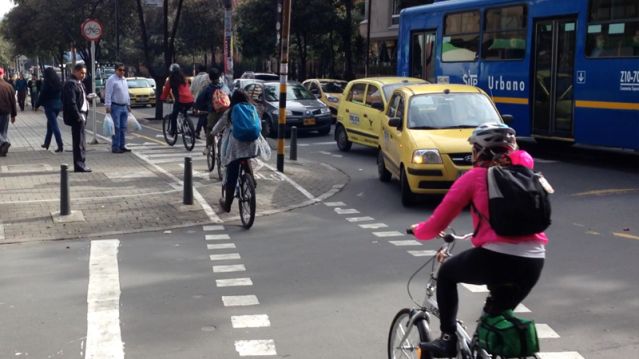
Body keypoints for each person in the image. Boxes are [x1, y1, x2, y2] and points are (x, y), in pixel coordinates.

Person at [410, 123, 547, 357]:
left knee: (447, 274)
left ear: (482, 152)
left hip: (496, 258)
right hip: (534, 261)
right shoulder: (529, 174)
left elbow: (437, 223)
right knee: (495, 319)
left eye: (474, 149)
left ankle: (447, 340)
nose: (472, 154)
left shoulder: (474, 178)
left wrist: (418, 230)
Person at [212, 89, 261, 212]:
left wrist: (212, 133)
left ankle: (227, 205)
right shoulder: (252, 108)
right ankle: (251, 181)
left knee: (232, 175)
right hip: (252, 144)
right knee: (246, 158)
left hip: (236, 147)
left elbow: (219, 126)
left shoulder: (231, 111)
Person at [62, 64, 93, 173]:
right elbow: (71, 102)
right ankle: (79, 165)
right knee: (79, 142)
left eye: (84, 73)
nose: (83, 75)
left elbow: (80, 98)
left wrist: (88, 98)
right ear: (75, 71)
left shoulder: (79, 83)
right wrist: (78, 116)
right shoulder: (71, 84)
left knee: (81, 141)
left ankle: (81, 163)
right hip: (78, 116)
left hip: (82, 114)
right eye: (81, 73)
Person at [195, 66, 227, 150]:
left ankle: (208, 146)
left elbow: (199, 100)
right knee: (225, 129)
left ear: (210, 78)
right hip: (225, 112)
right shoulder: (224, 87)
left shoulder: (208, 88)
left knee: (210, 128)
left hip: (213, 112)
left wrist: (198, 108)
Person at [160, 63, 194, 135]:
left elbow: (166, 91)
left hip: (180, 100)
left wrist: (162, 98)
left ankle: (173, 131)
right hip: (190, 100)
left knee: (173, 116)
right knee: (184, 113)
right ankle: (187, 127)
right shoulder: (184, 79)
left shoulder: (170, 81)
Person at [105, 63, 132, 153]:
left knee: (123, 127)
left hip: (124, 106)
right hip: (115, 106)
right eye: (120, 70)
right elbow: (108, 93)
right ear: (116, 70)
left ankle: (122, 145)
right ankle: (115, 146)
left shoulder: (124, 80)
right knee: (116, 127)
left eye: (123, 70)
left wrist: (128, 104)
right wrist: (108, 105)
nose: (122, 72)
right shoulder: (112, 80)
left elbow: (126, 93)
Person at [36, 67, 64, 152]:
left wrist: (37, 105)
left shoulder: (47, 84)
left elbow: (42, 96)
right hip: (58, 105)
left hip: (49, 106)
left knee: (54, 125)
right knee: (50, 124)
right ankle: (46, 143)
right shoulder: (58, 83)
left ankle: (60, 145)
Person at [0, 67, 18, 157]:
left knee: (1, 134)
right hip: (6, 112)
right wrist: (13, 115)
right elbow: (13, 102)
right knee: (3, 132)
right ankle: (2, 151)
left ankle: (4, 142)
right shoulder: (9, 86)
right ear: (2, 74)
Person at [191, 64, 211, 138]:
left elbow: (191, 91)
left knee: (203, 116)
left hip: (196, 100)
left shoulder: (195, 79)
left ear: (198, 70)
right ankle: (197, 131)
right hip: (205, 100)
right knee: (203, 116)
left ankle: (205, 132)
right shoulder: (208, 77)